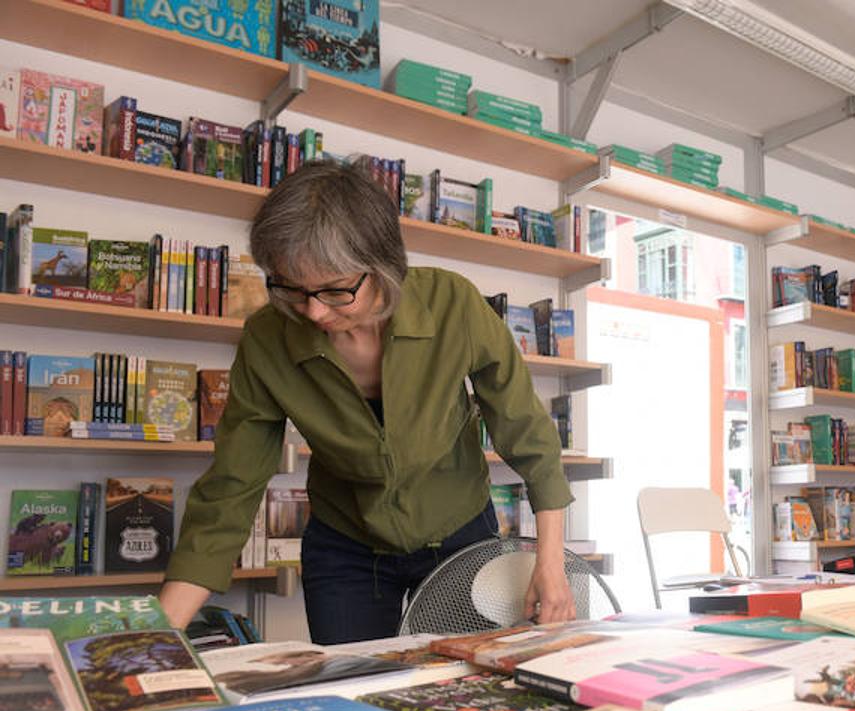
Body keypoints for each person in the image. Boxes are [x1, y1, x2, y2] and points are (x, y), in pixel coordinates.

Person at [158, 159, 576, 642]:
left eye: (335, 290)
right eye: (291, 289)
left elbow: (527, 432)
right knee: (352, 688)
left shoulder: (453, 305)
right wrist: (157, 635)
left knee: (458, 687)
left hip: (458, 533)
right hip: (345, 546)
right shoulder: (266, 339)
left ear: (381, 268)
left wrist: (551, 562)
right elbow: (232, 486)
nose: (313, 311)